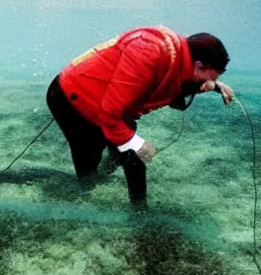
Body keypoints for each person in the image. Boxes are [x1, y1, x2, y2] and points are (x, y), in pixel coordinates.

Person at [46, 25, 234, 208]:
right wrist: (134, 143)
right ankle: (101, 203)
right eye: (210, 77)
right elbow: (110, 114)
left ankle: (123, 194)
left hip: (104, 100)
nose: (210, 82)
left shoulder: (180, 56)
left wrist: (214, 86)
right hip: (73, 98)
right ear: (199, 64)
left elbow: (176, 88)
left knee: (125, 155)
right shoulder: (149, 51)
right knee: (94, 166)